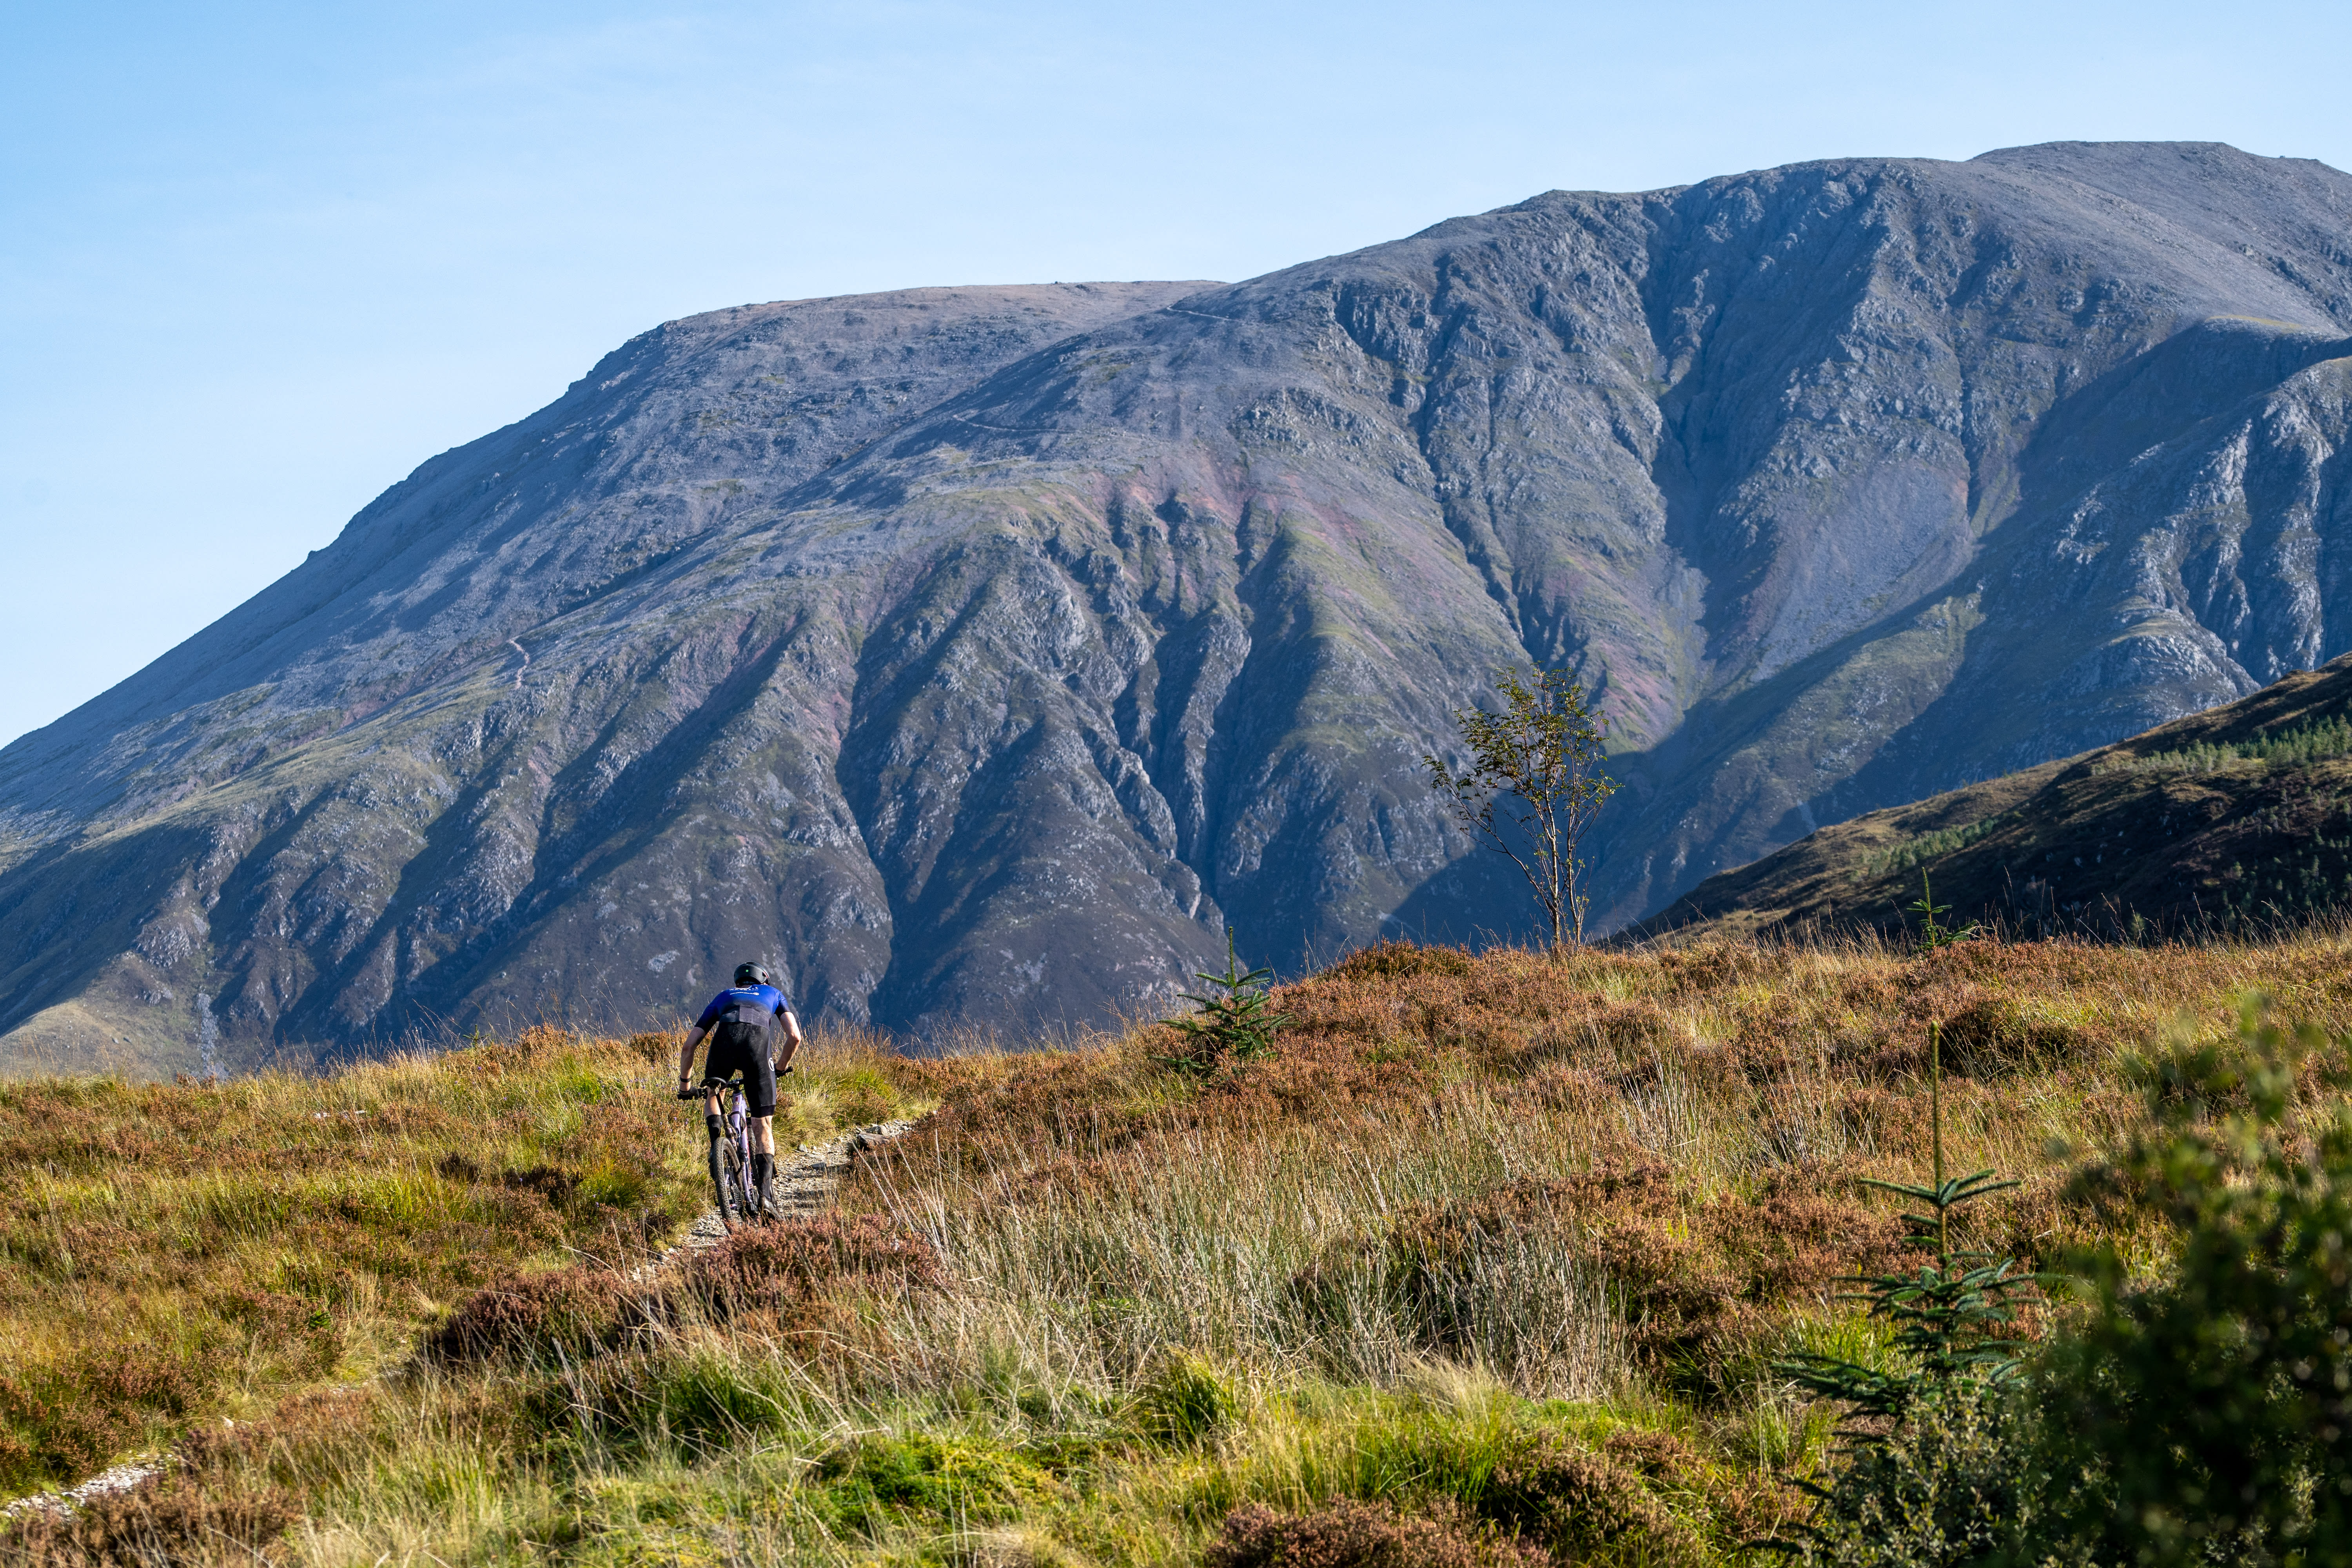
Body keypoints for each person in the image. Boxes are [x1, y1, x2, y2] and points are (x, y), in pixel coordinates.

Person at [674, 962, 804, 1223]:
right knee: (763, 1125)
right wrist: (780, 1067)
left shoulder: (725, 996)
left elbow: (689, 1046)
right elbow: (795, 1037)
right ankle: (765, 1196)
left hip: (725, 1042)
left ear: (738, 983)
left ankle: (716, 1148)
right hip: (757, 1046)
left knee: (714, 1093)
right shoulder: (775, 994)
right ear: (763, 982)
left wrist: (685, 1087)